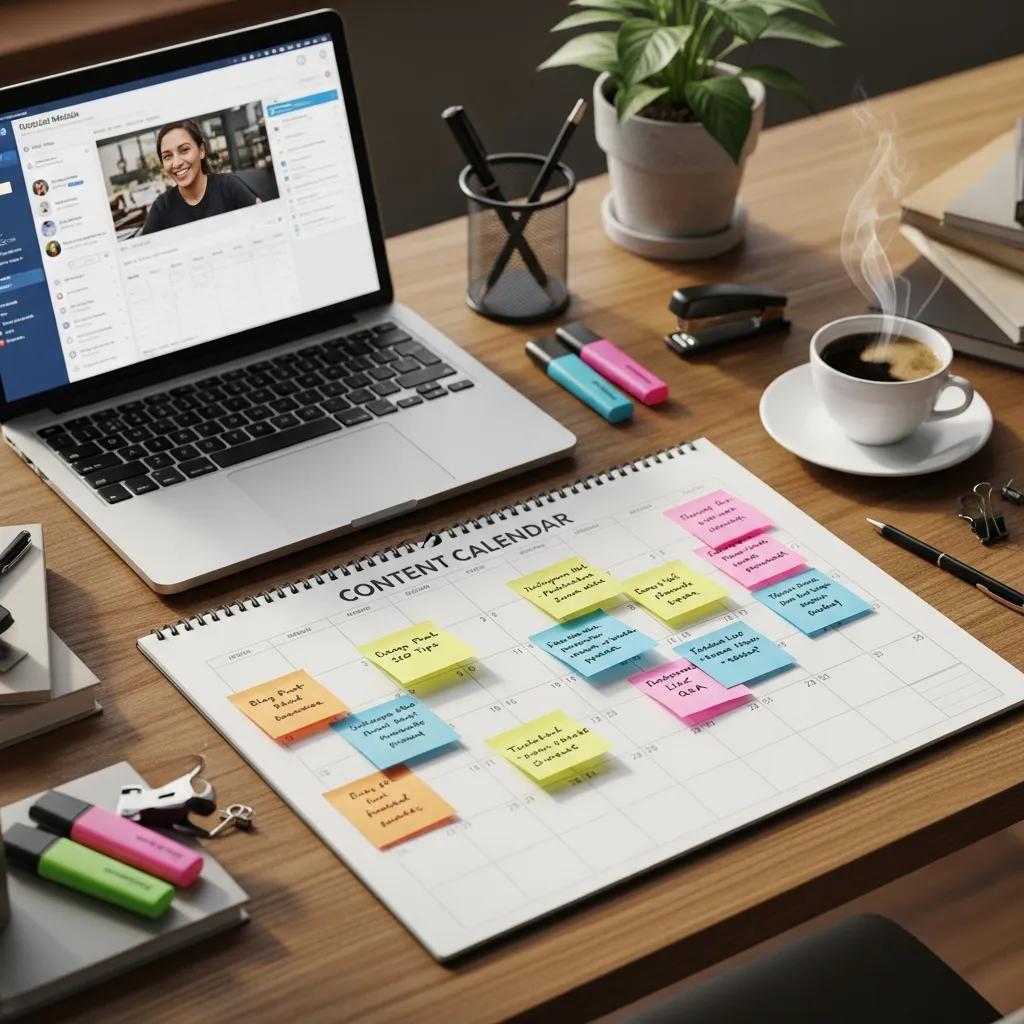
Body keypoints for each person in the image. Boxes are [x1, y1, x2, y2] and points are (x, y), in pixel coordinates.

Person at [141, 119, 260, 235]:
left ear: (201, 150)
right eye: (167, 156)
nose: (176, 163)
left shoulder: (229, 187)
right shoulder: (161, 208)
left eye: (184, 150)